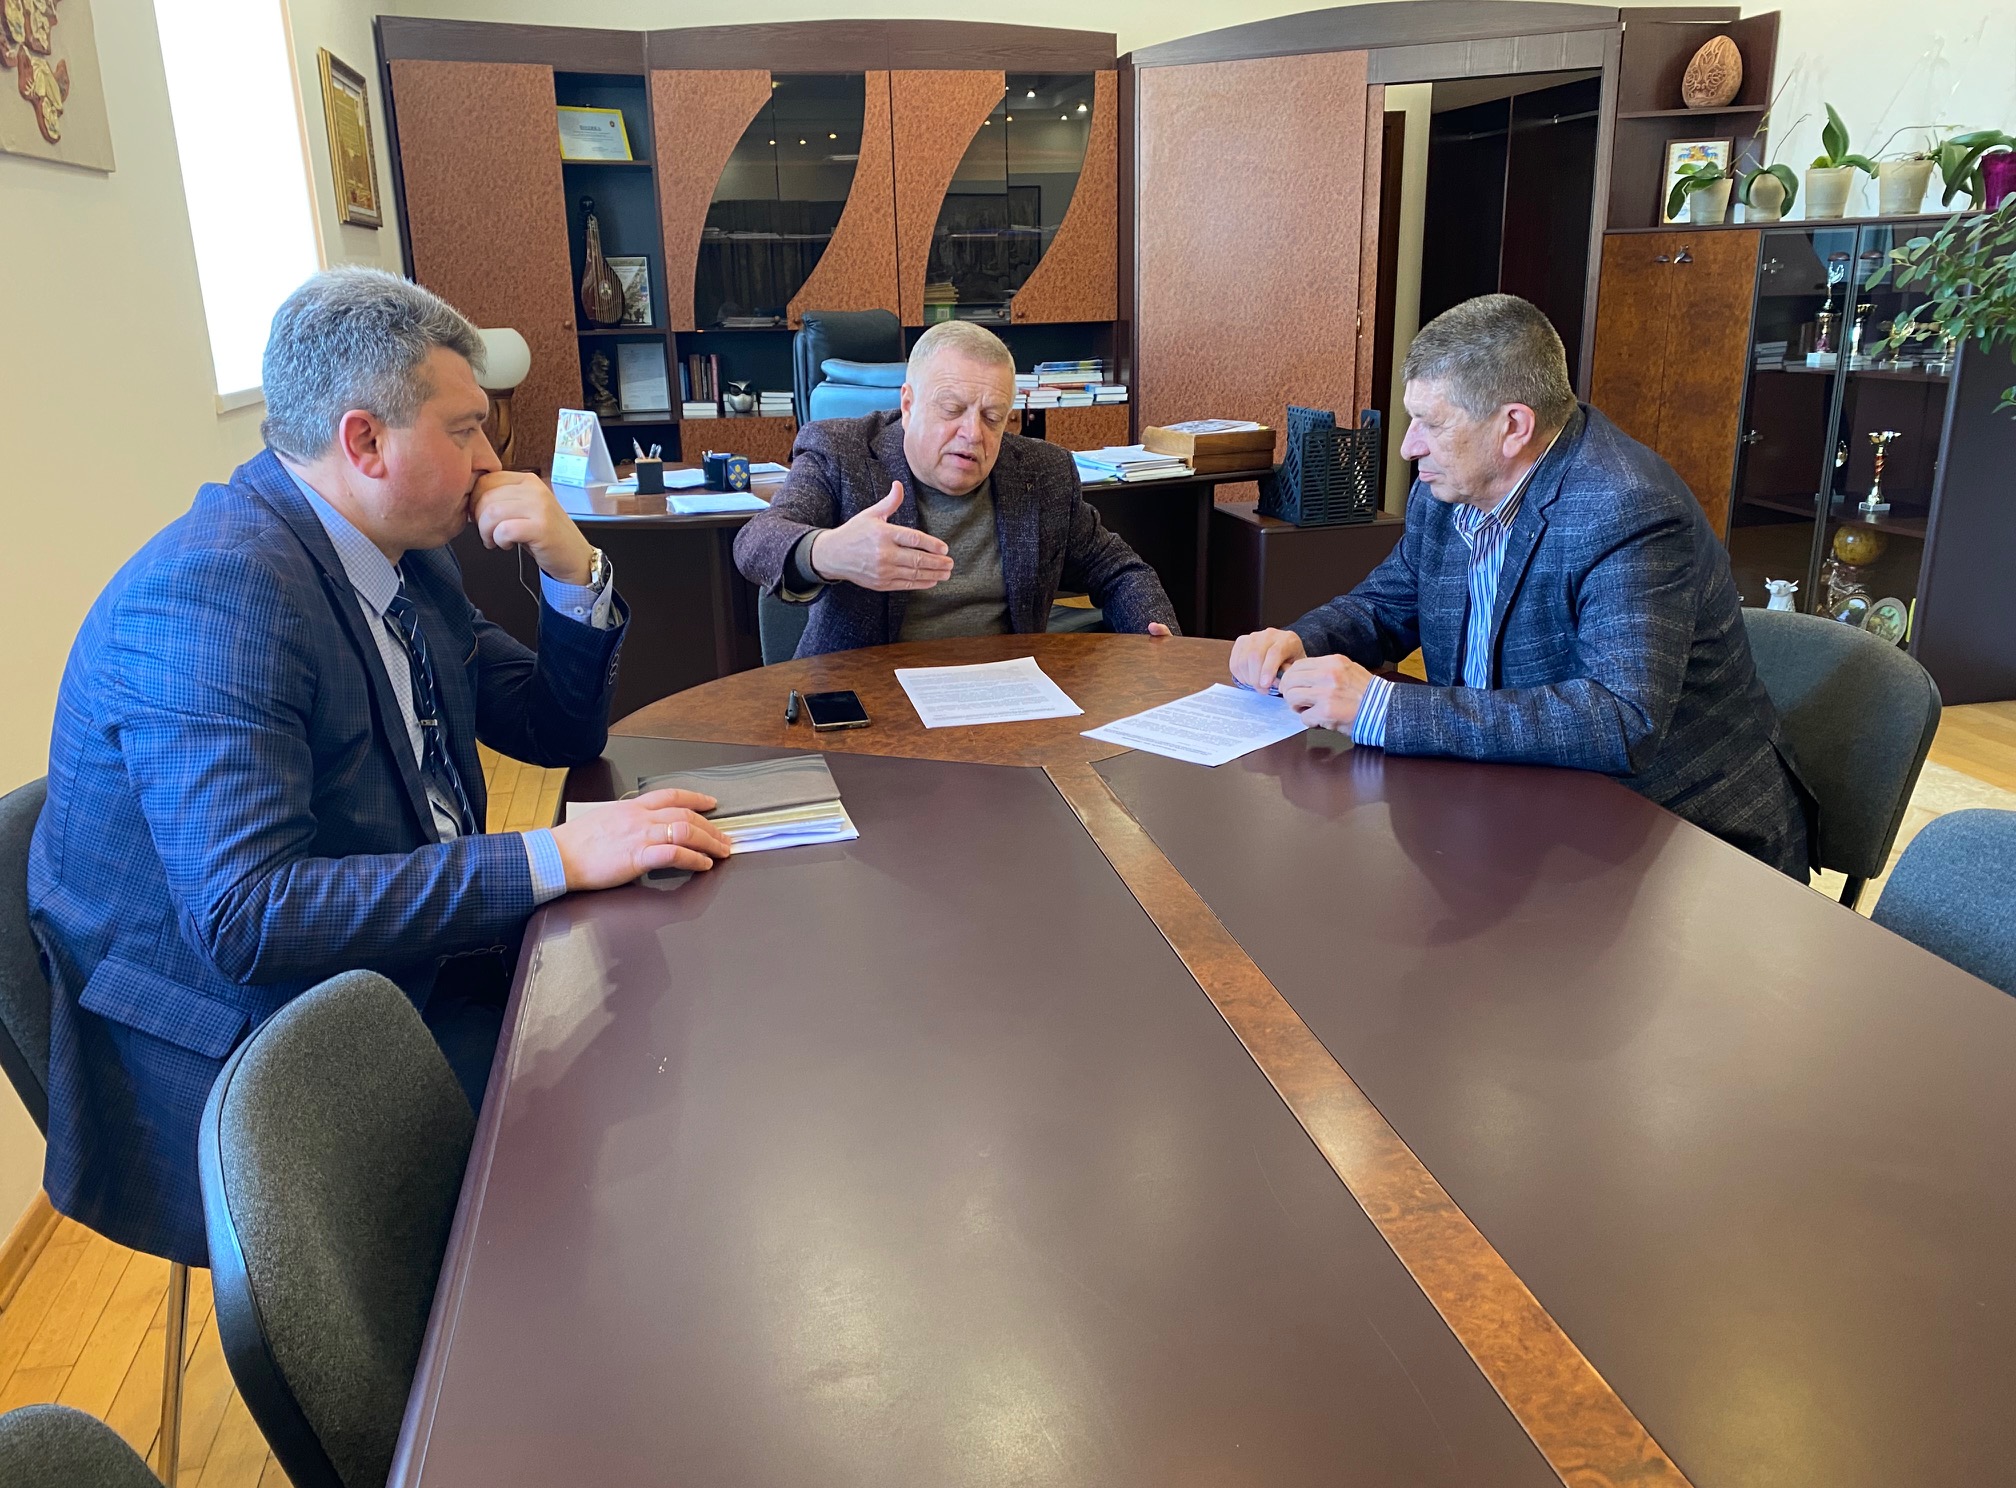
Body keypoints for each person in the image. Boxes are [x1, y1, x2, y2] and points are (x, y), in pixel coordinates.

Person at [29, 268, 731, 1266]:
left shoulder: (400, 553)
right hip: (252, 1043)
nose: (491, 462)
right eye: (465, 430)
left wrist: (574, 570)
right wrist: (553, 858)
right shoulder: (214, 594)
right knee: (612, 1169)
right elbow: (250, 917)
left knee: (665, 1055)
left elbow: (556, 729)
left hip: (403, 958)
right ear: (363, 441)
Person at [1230, 294, 1809, 877]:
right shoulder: (1449, 487)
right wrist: (1300, 641)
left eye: (1432, 424)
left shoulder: (1627, 508)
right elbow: (1387, 604)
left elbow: (1622, 720)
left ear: (1512, 427)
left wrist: (1384, 708)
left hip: (1677, 835)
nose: (1408, 447)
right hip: (1511, 799)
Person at [733, 320, 1177, 651]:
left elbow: (1118, 570)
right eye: (951, 410)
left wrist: (1157, 634)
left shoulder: (1043, 473)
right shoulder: (841, 451)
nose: (972, 434)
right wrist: (830, 552)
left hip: (1002, 698)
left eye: (992, 417)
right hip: (867, 699)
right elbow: (757, 541)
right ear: (908, 405)